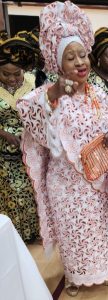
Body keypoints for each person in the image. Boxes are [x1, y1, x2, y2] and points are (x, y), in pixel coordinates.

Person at [17, 1, 108, 296]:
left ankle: (102, 271)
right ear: (58, 64)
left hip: (97, 180)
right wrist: (55, 93)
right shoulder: (48, 94)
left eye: (83, 54)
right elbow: (27, 112)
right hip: (65, 184)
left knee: (97, 232)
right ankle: (74, 276)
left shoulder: (99, 95)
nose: (80, 62)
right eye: (71, 58)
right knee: (72, 233)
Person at [0, 30, 40, 242]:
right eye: (6, 74)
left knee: (33, 193)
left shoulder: (33, 81)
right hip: (5, 156)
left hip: (31, 151)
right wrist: (4, 133)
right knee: (13, 195)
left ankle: (33, 234)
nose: (13, 78)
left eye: (17, 73)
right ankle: (15, 238)